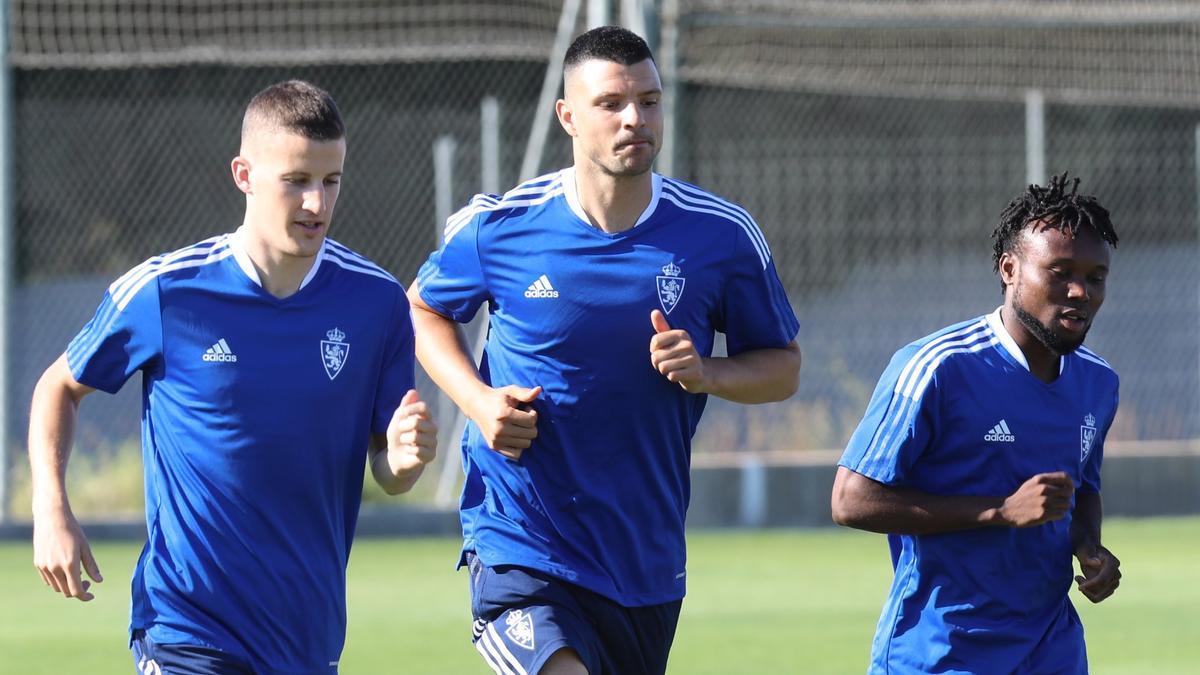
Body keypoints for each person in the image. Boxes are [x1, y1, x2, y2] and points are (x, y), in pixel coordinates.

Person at [408, 25, 801, 675]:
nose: (634, 119)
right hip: (521, 543)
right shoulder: (501, 227)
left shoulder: (720, 237)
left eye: (649, 101)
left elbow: (783, 368)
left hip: (642, 558)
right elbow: (422, 307)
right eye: (612, 103)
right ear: (567, 115)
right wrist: (478, 403)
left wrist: (708, 371)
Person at [29, 80, 437, 674]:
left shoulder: (375, 303)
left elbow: (388, 468)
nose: (317, 205)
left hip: (308, 638)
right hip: (186, 627)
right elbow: (58, 387)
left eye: (331, 182)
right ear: (244, 174)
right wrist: (51, 508)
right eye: (296, 181)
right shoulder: (168, 292)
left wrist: (404, 460)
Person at [831, 174, 1122, 674]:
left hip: (1053, 652)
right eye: (1060, 272)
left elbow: (1082, 491)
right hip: (942, 652)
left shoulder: (1099, 382)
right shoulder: (937, 367)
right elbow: (851, 499)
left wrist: (1089, 548)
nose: (1080, 292)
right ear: (1010, 269)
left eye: (1095, 278)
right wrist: (999, 511)